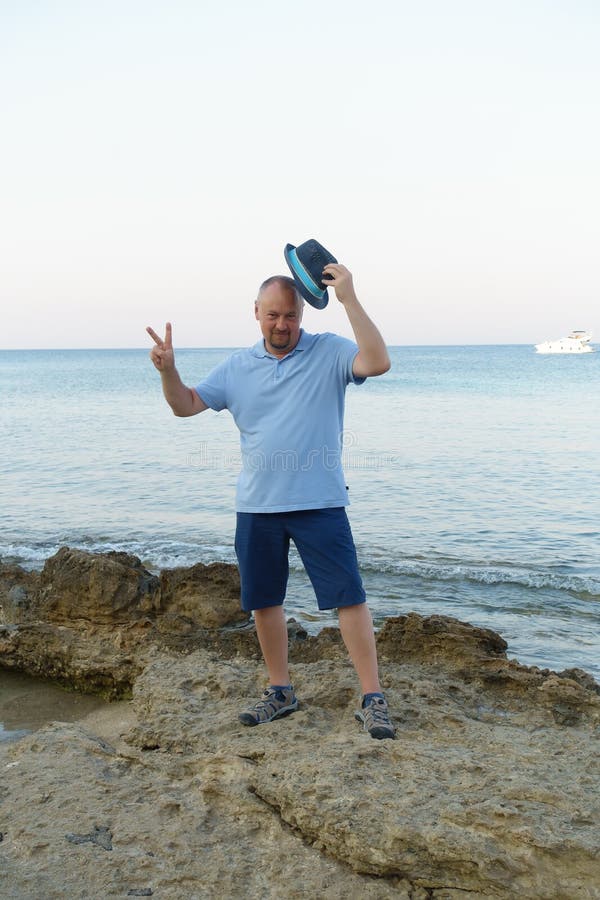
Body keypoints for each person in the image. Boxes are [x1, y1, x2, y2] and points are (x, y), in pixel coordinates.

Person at [147, 260, 395, 739]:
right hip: (257, 506)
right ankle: (280, 691)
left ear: (302, 314)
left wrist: (348, 298)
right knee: (265, 601)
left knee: (349, 598)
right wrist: (169, 371)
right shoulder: (236, 367)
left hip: (320, 502)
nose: (282, 325)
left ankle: (373, 696)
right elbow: (184, 406)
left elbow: (378, 361)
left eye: (291, 316)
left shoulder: (330, 352)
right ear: (256, 313)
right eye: (273, 315)